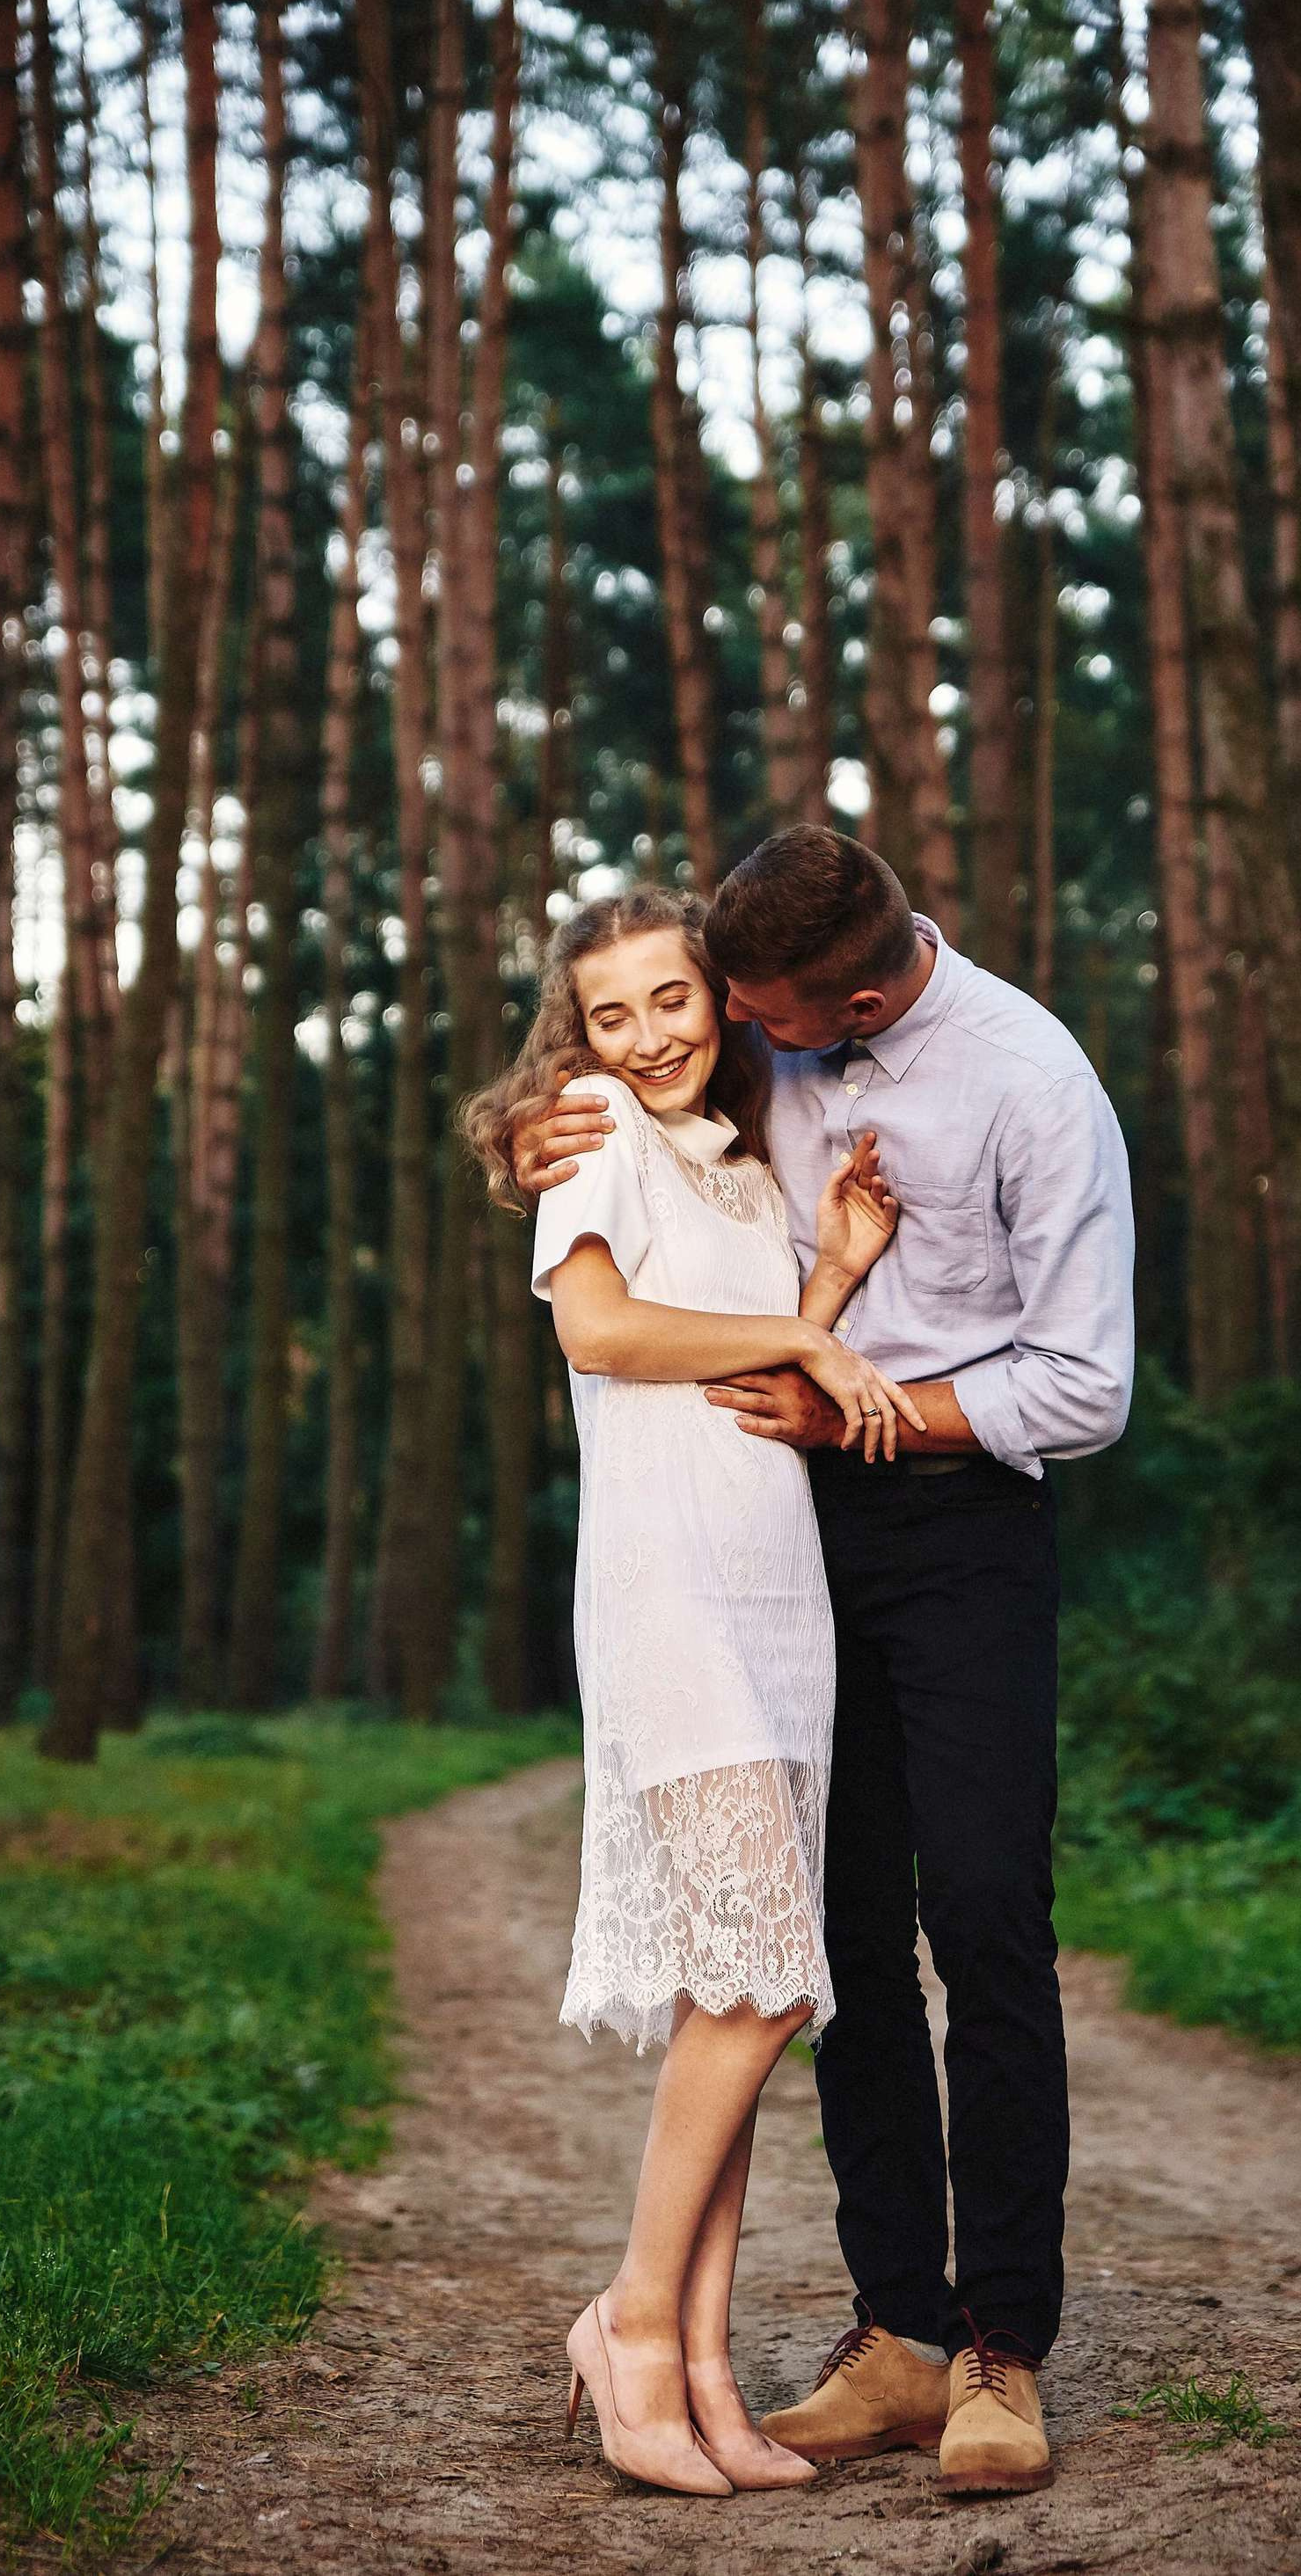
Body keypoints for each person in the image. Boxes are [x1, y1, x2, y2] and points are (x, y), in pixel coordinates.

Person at [512, 828, 1135, 2499]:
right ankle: (896, 2335)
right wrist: (541, 1127)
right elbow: (628, 1179)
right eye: (707, 1001)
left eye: (740, 1011)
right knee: (832, 1935)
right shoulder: (739, 1040)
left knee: (987, 1916)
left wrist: (850, 1385)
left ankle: (1004, 2346)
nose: (716, 1030)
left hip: (957, 1518)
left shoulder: (1032, 1084)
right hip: (781, 1529)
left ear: (846, 996)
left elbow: (1084, 1390)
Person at [462, 884, 923, 2499]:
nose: (648, 1036)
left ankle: (712, 2377)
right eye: (612, 1012)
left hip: (775, 1601)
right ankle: (634, 2325)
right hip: (669, 1599)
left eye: (671, 1001)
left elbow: (744, 1355)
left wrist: (833, 1288)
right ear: (574, 1036)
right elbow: (598, 1329)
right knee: (757, 1987)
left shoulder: (734, 1162)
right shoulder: (584, 1130)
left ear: (720, 1002)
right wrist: (816, 1349)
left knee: (749, 1988)